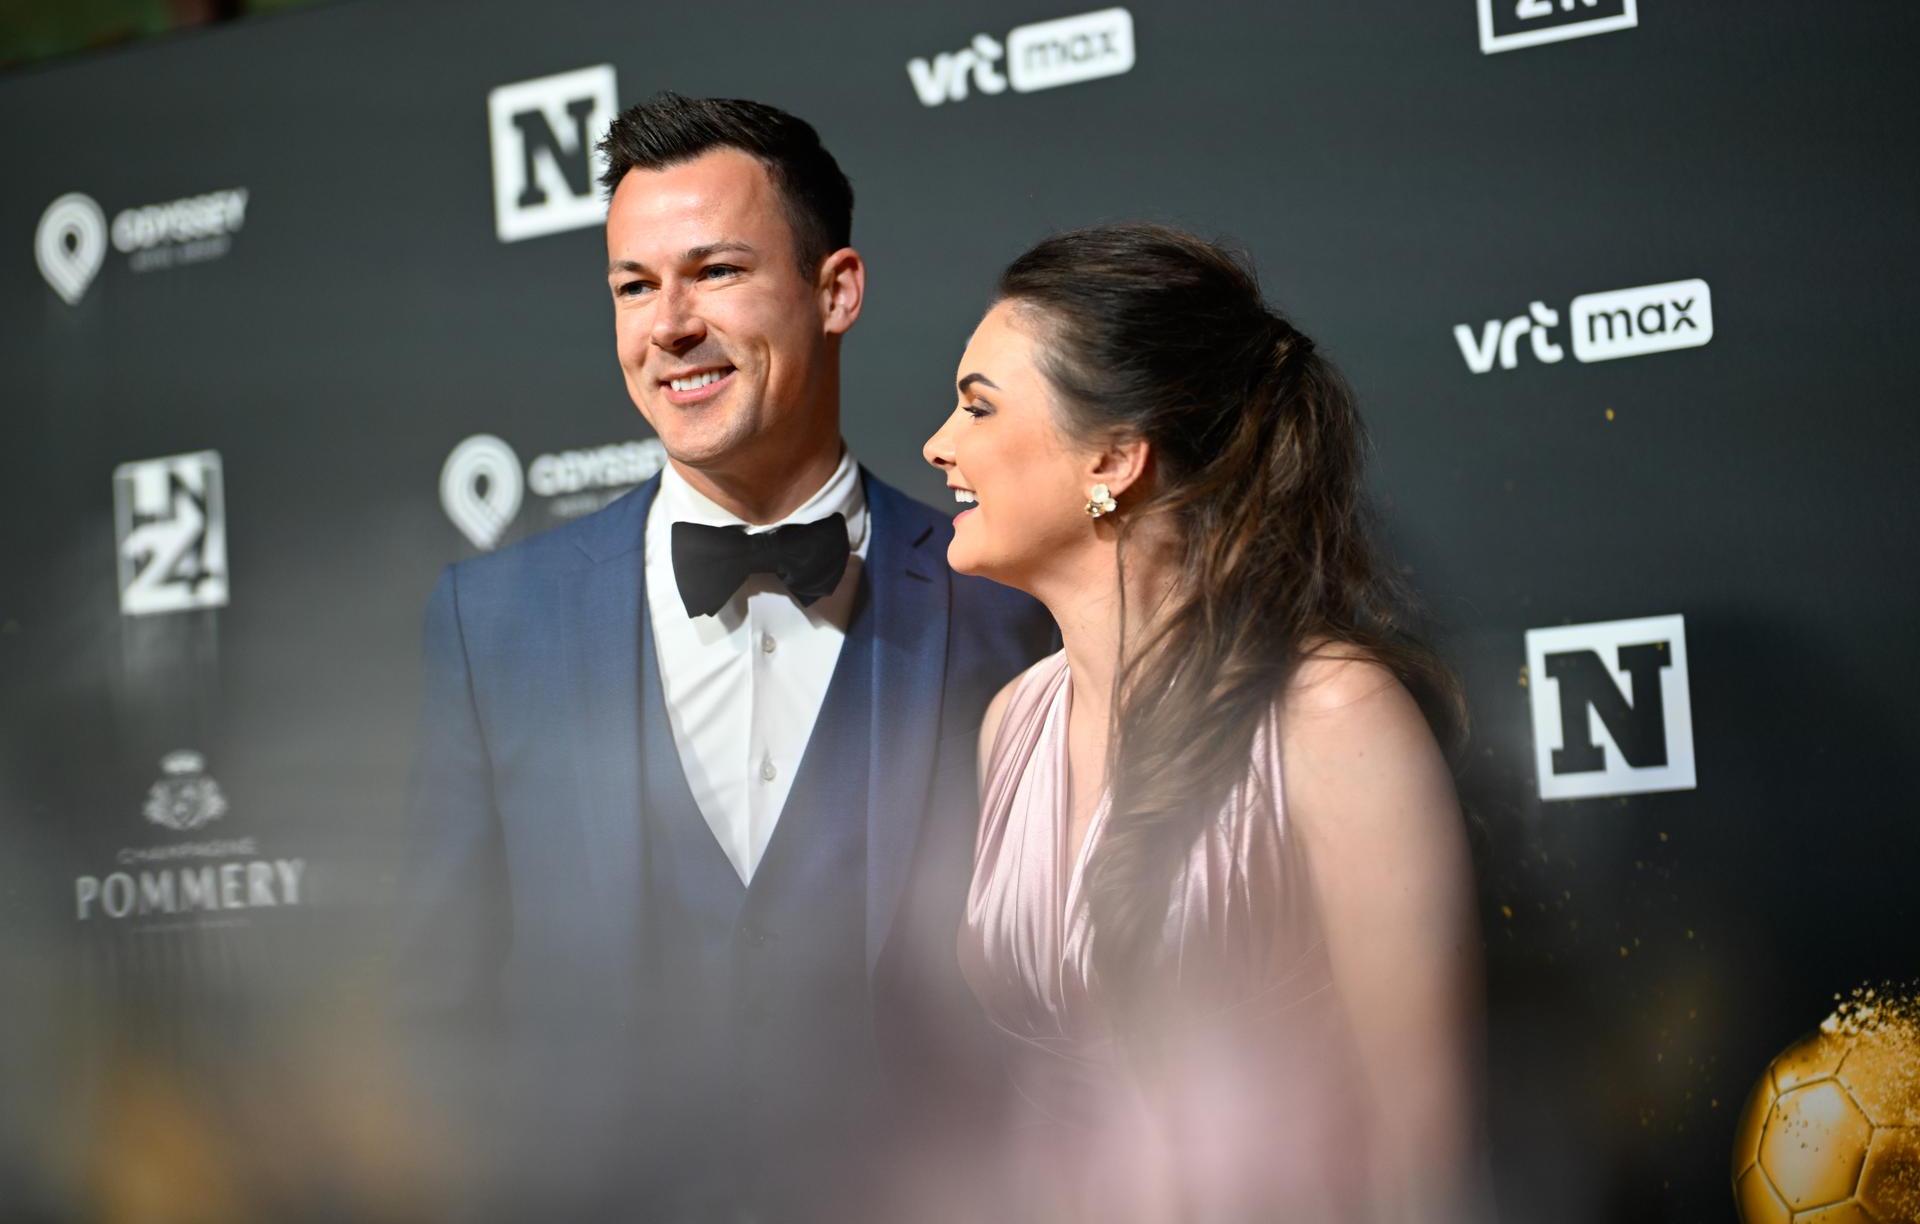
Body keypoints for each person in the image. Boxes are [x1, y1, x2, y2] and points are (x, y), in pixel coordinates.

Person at [396, 93, 1052, 1222]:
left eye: (715, 272)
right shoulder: (491, 620)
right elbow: (440, 1012)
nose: (669, 326)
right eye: (635, 286)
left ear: (835, 289)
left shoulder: (1004, 597)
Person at [922, 224, 1490, 1222]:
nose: (939, 443)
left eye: (979, 405)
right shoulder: (1011, 722)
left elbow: (1425, 1147)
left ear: (1115, 453)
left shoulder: (1329, 714)